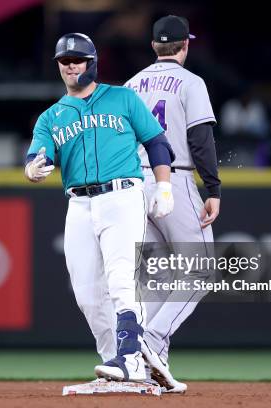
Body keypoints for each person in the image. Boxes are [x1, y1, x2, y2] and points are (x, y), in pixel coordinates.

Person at [25, 32, 177, 384]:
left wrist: (164, 186)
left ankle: (130, 360)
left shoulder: (123, 98)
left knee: (122, 279)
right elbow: (36, 156)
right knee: (88, 294)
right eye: (65, 60)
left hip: (121, 196)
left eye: (78, 59)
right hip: (78, 204)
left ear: (93, 62)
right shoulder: (51, 117)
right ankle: (119, 360)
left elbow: (156, 142)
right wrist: (33, 168)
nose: (71, 65)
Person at [125, 15, 221, 392]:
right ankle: (149, 340)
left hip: (136, 183)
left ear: (153, 46)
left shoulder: (131, 85)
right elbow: (200, 138)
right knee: (200, 272)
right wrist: (212, 188)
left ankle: (153, 367)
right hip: (174, 177)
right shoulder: (191, 82)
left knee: (156, 281)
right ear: (184, 46)